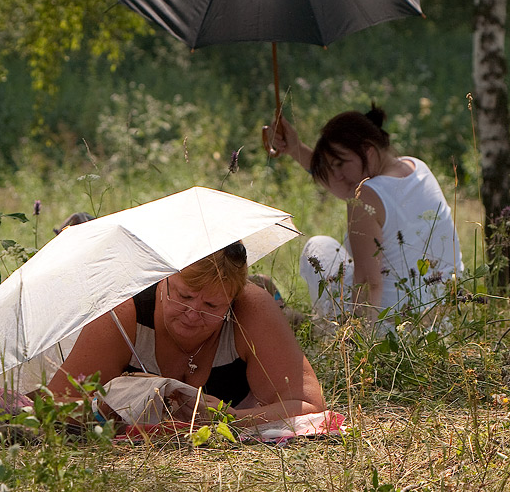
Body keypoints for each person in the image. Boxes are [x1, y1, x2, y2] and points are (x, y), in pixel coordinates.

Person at [47, 241, 327, 424]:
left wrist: (230, 418)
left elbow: (309, 405)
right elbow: (55, 404)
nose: (193, 315)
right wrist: (109, 413)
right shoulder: (122, 314)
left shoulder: (250, 307)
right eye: (183, 296)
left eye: (211, 305)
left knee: (278, 311)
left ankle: (280, 301)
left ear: (233, 299)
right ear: (163, 280)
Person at [263, 105, 463, 324]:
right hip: (442, 322)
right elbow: (345, 185)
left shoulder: (365, 196)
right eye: (332, 167)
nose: (337, 176)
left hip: (393, 329)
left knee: (319, 248)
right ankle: (303, 322)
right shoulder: (415, 167)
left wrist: (360, 345)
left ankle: (314, 326)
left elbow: (368, 282)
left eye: (341, 164)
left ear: (368, 150)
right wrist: (295, 149)